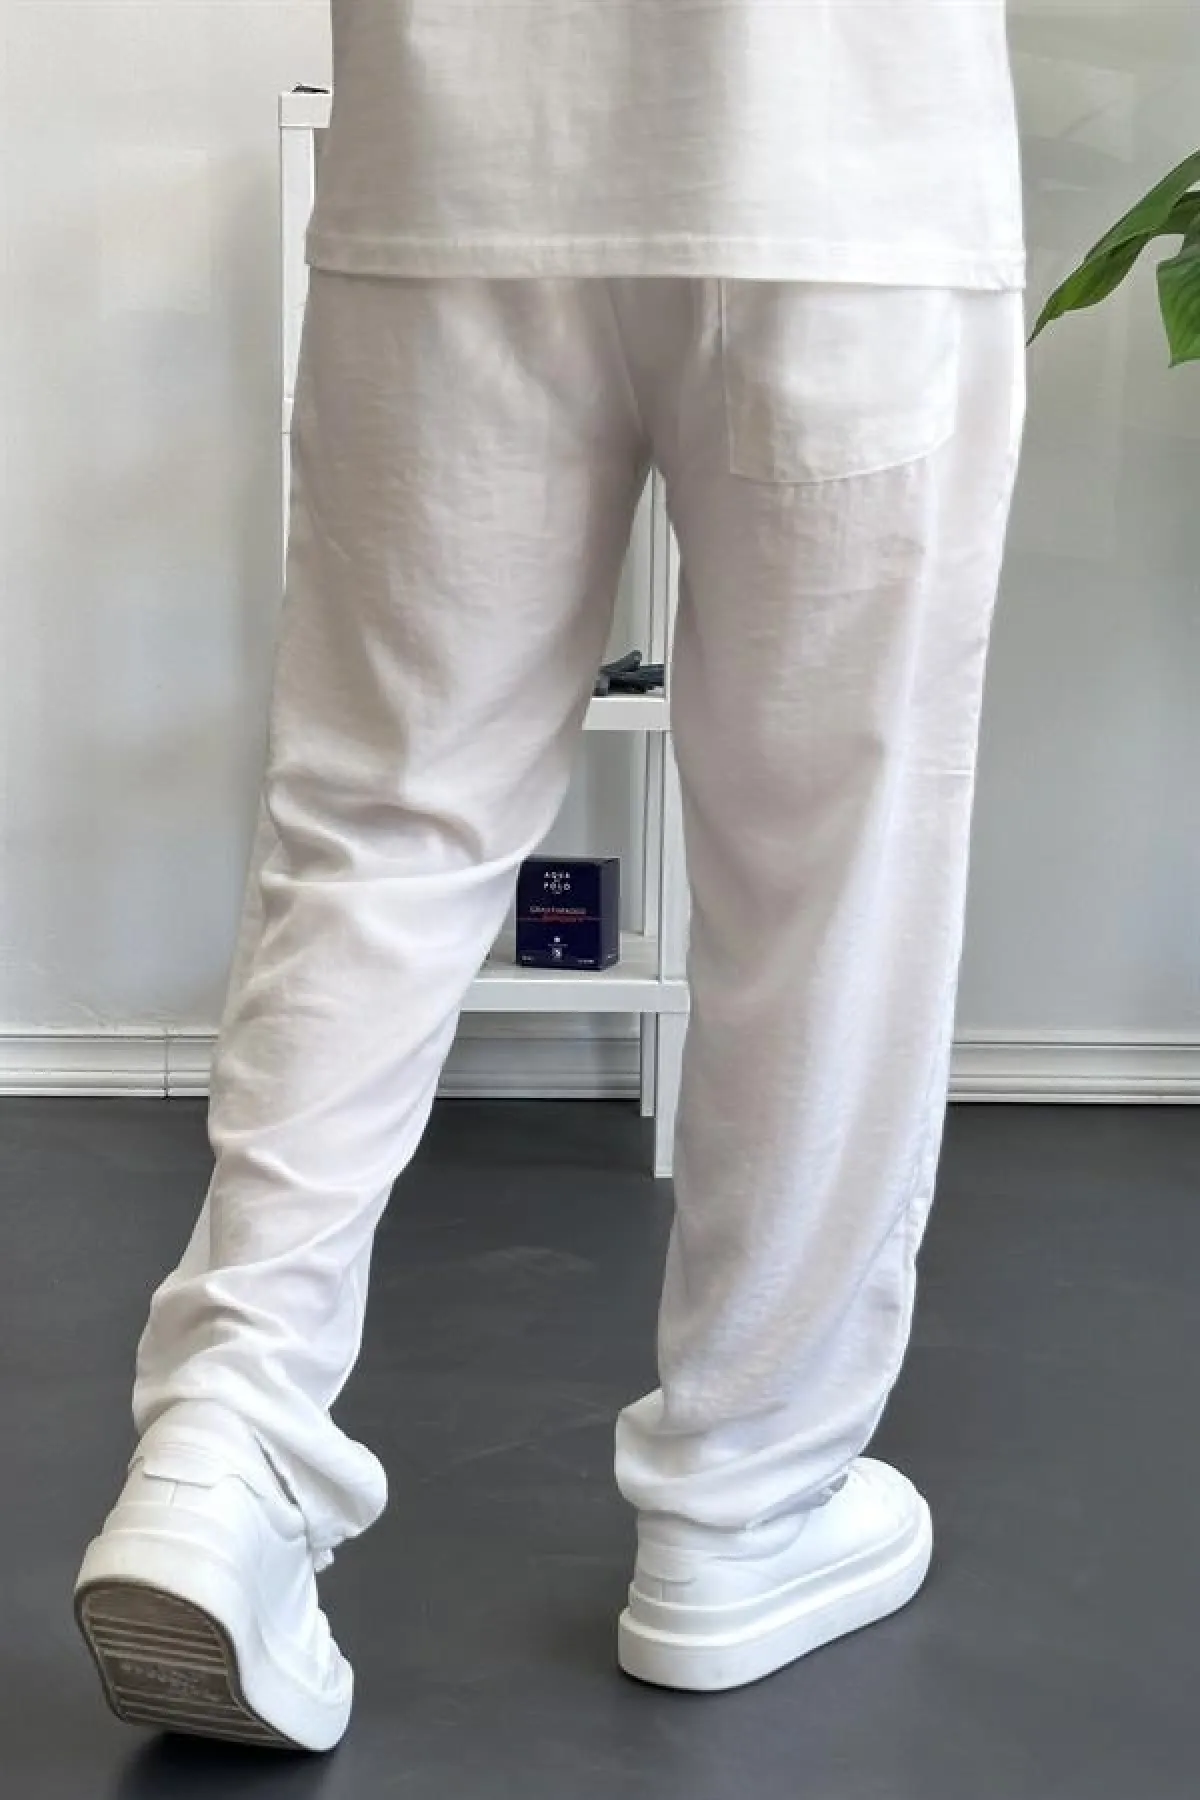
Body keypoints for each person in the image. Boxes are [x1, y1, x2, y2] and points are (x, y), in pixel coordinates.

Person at [73, 0, 1027, 1752]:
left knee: (381, 828)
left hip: (452, 161)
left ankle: (225, 1438)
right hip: (840, 163)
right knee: (826, 873)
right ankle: (744, 1505)